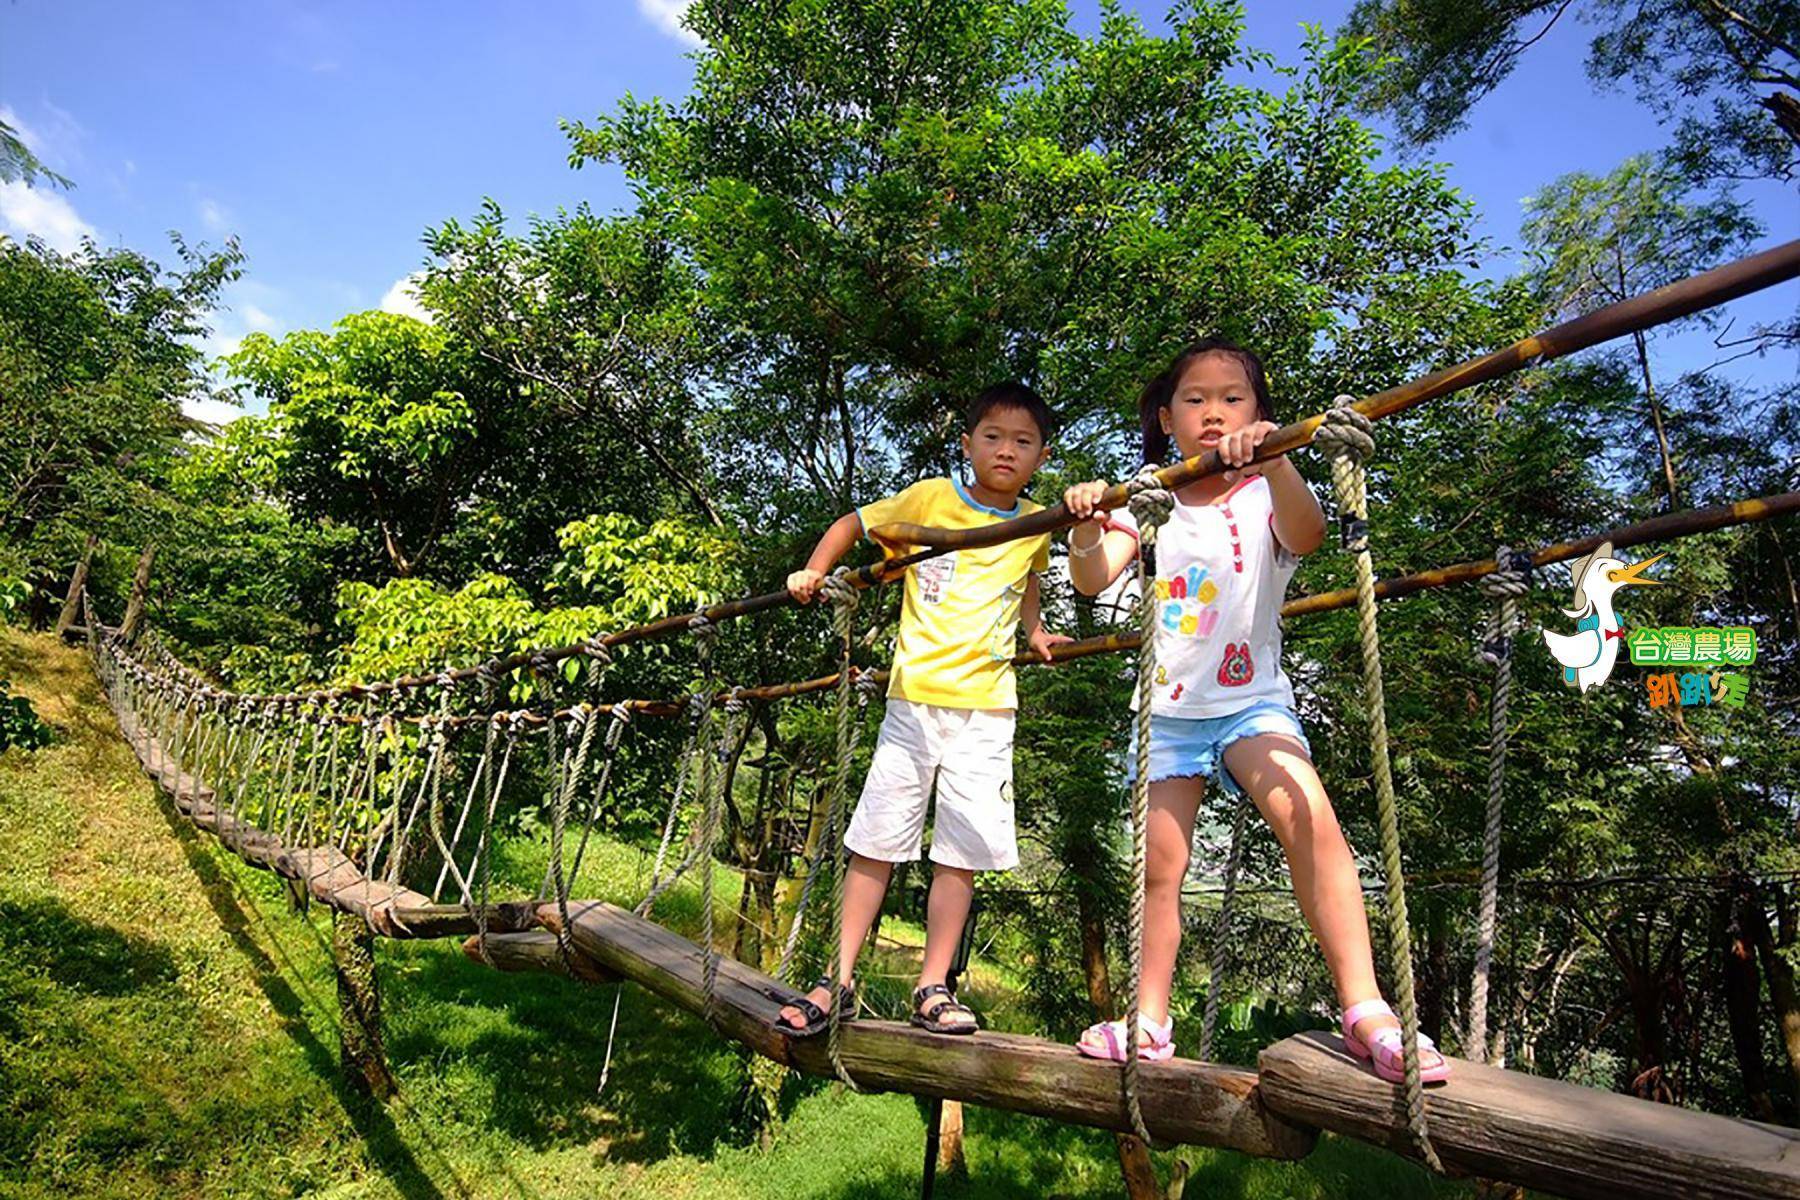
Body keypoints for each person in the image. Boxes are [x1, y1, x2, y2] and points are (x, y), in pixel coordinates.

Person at [1060, 340, 1450, 1083]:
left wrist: (1275, 457)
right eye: (1195, 398)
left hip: (1251, 701)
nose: (1213, 412)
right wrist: (1084, 524)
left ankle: (1369, 1010)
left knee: (1313, 823)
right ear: (1165, 417)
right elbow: (1089, 578)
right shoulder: (1146, 499)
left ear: (1259, 412)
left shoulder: (1268, 488)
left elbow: (1310, 534)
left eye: (1232, 398)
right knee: (1160, 870)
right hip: (1167, 711)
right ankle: (1148, 1018)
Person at [774, 382, 1068, 1037]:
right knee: (877, 838)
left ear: (1041, 457)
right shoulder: (931, 498)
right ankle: (840, 978)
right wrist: (814, 570)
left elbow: (1027, 583)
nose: (1005, 451)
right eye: (993, 437)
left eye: (1023, 442)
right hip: (914, 702)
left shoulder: (1038, 520)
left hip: (989, 708)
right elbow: (855, 523)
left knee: (959, 854)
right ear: (968, 445)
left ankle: (933, 984)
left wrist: (1037, 634)